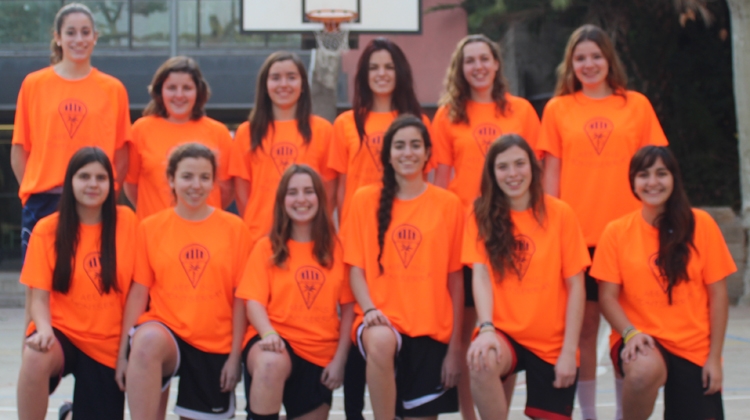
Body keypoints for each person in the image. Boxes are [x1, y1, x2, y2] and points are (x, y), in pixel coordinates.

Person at [536, 24, 668, 419]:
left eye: (596, 56)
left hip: (631, 236)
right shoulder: (558, 109)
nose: (589, 64)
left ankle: (625, 412)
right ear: (570, 64)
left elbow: (655, 170)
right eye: (580, 58)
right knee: (585, 330)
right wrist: (549, 229)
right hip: (579, 238)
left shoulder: (636, 105)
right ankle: (591, 414)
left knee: (629, 331)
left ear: (609, 59)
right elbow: (552, 176)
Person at [432, 34, 541, 418]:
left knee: (503, 332)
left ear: (496, 63)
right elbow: (440, 182)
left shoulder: (521, 111)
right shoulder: (447, 115)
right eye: (469, 61)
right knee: (465, 336)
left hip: (509, 235)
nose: (477, 66)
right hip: (463, 236)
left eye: (484, 59)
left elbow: (534, 171)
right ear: (460, 69)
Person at [591, 146, 733, 420]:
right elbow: (607, 297)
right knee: (644, 370)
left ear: (674, 178)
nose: (652, 182)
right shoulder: (616, 232)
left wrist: (714, 359)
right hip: (640, 338)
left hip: (693, 348)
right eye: (644, 175)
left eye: (661, 173)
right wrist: (629, 333)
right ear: (633, 182)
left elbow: (718, 296)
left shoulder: (701, 225)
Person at [117, 143, 251, 420]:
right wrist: (122, 355)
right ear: (171, 179)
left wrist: (235, 356)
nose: (196, 185)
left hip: (214, 342)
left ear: (214, 182)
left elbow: (241, 298)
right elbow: (139, 293)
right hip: (168, 331)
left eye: (204, 177)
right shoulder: (150, 228)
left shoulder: (235, 229)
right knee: (146, 343)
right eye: (187, 176)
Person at [342, 114, 463, 419]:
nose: (407, 152)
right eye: (399, 146)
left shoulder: (449, 205)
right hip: (381, 321)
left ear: (427, 153)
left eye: (415, 145)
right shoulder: (364, 200)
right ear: (388, 155)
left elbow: (455, 282)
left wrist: (454, 349)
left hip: (431, 332)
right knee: (381, 340)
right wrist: (369, 309)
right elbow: (354, 269)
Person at [463, 134, 588, 420]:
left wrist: (569, 351)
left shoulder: (561, 214)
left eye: (520, 163)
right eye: (502, 167)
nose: (513, 174)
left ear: (533, 166)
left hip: (551, 343)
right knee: (481, 361)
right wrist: (486, 328)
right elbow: (480, 275)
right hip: (505, 334)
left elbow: (576, 286)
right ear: (492, 174)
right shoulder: (481, 214)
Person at [16, 147, 137, 420]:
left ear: (111, 184)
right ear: (70, 181)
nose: (93, 184)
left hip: (107, 343)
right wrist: (43, 329)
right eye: (84, 176)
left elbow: (135, 294)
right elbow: (38, 297)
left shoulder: (128, 223)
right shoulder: (47, 229)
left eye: (101, 178)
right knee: (35, 356)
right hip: (63, 332)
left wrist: (124, 353)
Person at [10, 2, 131, 261]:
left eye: (85, 32)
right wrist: (31, 191)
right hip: (44, 199)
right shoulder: (34, 84)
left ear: (95, 37)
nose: (79, 39)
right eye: (71, 32)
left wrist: (105, 192)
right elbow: (20, 149)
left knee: (91, 275)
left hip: (95, 200)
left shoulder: (113, 89)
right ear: (57, 37)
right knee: (39, 279)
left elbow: (121, 154)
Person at [237, 164, 355, 420]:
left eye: (308, 191)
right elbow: (253, 302)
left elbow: (348, 310)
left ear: (320, 198)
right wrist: (268, 333)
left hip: (319, 353)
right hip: (275, 340)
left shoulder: (339, 249)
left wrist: (340, 359)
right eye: (292, 193)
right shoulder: (266, 248)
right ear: (282, 201)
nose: (301, 199)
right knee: (270, 363)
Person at [229, 51, 337, 249]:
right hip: (259, 238)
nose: (284, 84)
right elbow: (242, 192)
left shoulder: (323, 130)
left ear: (303, 85)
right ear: (265, 85)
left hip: (308, 238)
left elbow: (328, 190)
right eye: (276, 78)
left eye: (291, 77)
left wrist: (315, 227)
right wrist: (256, 226)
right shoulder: (247, 132)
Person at [328, 37, 433, 227]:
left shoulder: (419, 123)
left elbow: (423, 181)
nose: (381, 73)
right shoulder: (345, 123)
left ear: (400, 72)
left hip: (404, 224)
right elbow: (341, 188)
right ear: (364, 74)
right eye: (374, 68)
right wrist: (344, 231)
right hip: (359, 226)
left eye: (389, 67)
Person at [124, 56, 234, 220]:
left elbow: (226, 190)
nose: (179, 95)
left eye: (187, 88)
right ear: (160, 91)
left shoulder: (218, 132)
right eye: (172, 88)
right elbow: (132, 185)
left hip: (204, 229)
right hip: (156, 230)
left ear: (198, 91)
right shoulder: (140, 130)